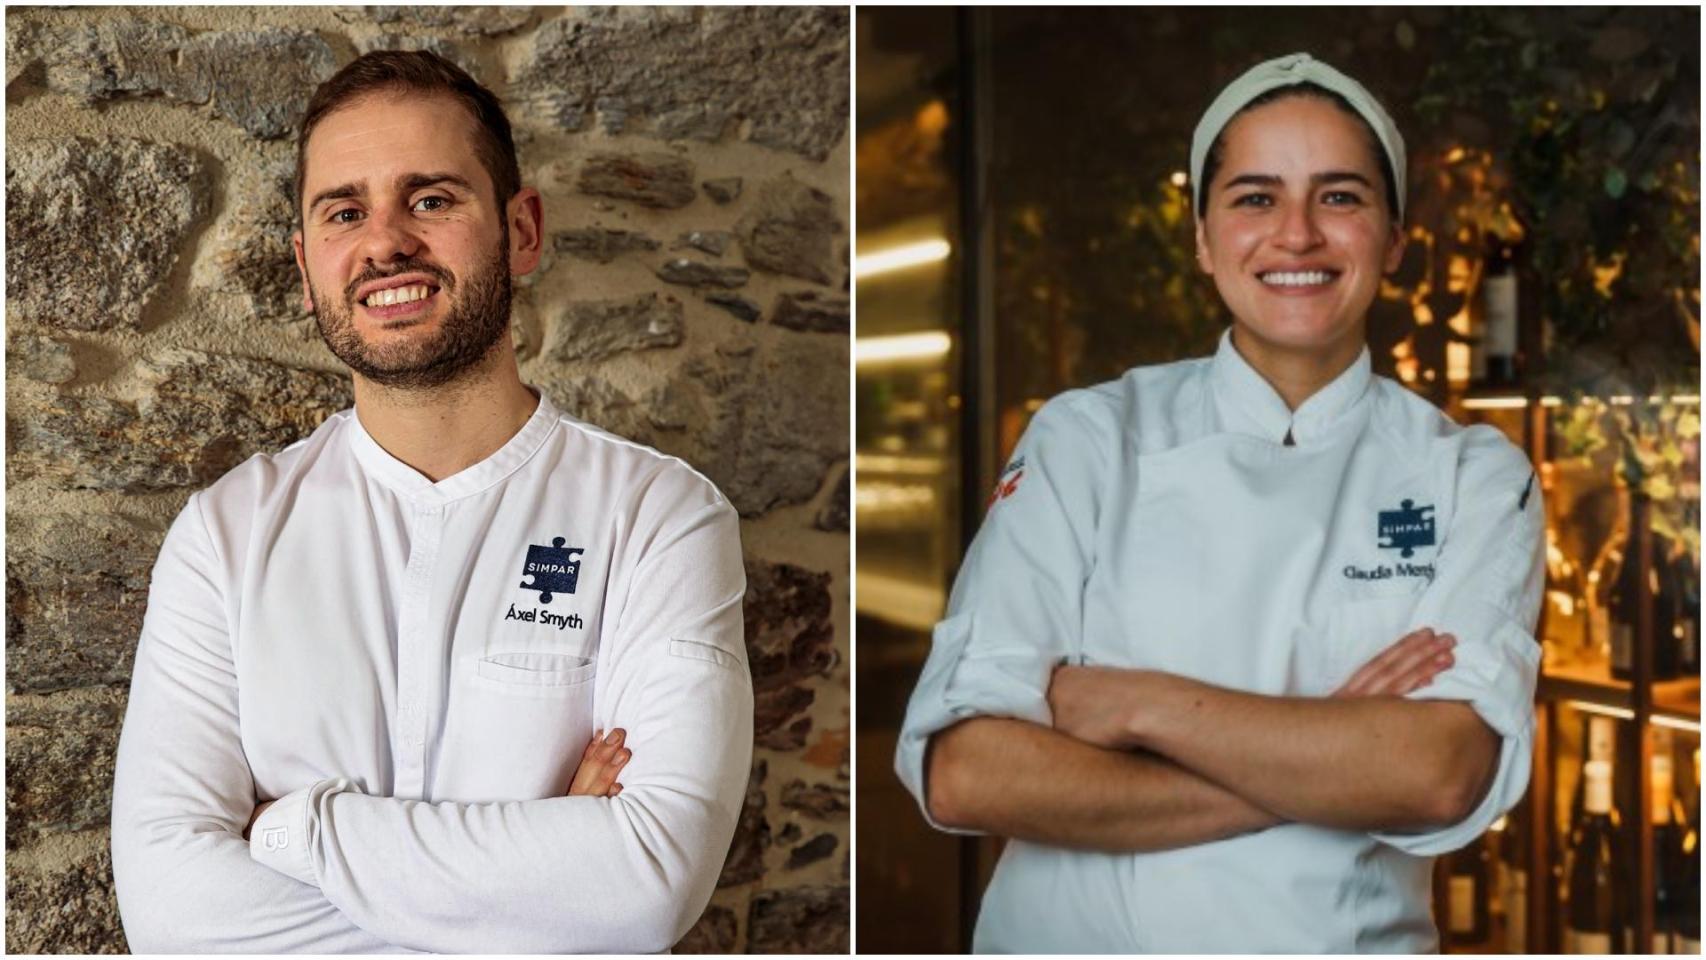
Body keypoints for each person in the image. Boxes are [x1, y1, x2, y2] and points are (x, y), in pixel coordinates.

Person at [895, 52, 1544, 952]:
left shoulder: (1474, 475)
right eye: (1255, 197)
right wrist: (1333, 755)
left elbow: (1436, 774)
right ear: (1203, 239)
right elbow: (970, 773)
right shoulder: (1087, 439)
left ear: (1395, 239)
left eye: (1341, 196)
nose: (1298, 234)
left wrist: (1132, 706)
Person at [109, 50, 753, 954]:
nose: (384, 245)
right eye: (344, 212)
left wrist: (292, 833)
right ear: (307, 266)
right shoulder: (226, 537)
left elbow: (648, 880)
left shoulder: (658, 518)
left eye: (431, 200)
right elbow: (177, 921)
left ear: (521, 230)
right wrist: (548, 878)